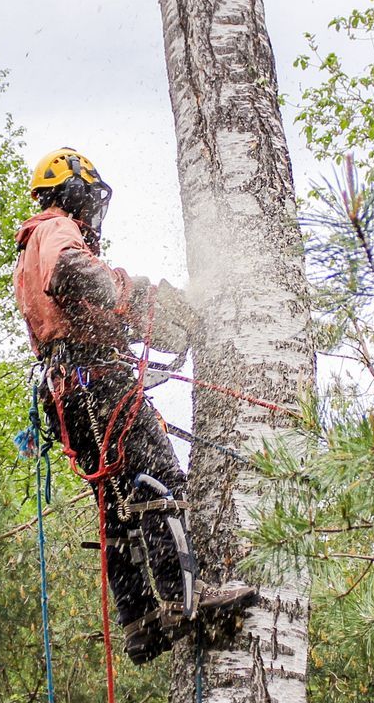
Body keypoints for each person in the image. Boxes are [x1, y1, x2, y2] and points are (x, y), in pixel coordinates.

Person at [14, 147, 255, 663]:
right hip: (97, 384)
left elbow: (89, 308)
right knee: (160, 476)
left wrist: (150, 316)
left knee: (119, 505)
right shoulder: (54, 229)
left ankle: (141, 620)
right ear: (74, 189)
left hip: (69, 393)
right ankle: (185, 598)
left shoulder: (32, 250)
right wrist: (132, 290)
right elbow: (74, 273)